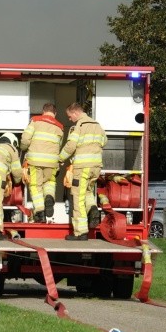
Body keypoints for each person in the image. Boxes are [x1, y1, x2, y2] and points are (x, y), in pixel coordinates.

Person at [58, 102, 107, 241]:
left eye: (69, 116)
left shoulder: (78, 126)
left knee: (77, 198)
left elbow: (70, 146)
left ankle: (81, 232)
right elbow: (105, 141)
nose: (69, 119)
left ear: (75, 113)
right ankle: (92, 208)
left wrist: (60, 158)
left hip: (82, 168)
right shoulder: (97, 125)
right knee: (88, 192)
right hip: (96, 167)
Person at [20, 103, 64, 223]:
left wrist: (23, 148)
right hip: (52, 162)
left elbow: (25, 139)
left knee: (36, 186)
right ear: (55, 113)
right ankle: (49, 197)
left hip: (35, 160)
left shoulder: (35, 121)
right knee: (50, 182)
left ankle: (40, 212)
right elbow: (59, 146)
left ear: (43, 111)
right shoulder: (60, 127)